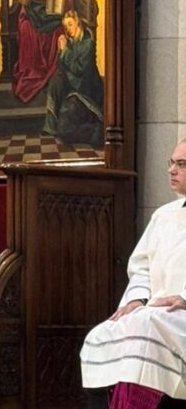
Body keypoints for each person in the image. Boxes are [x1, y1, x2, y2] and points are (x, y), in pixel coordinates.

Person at [80, 139, 186, 408]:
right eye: (171, 163)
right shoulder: (163, 216)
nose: (172, 170)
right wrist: (136, 299)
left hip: (179, 315)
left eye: (181, 164)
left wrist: (184, 297)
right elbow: (141, 268)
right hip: (155, 313)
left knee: (144, 327)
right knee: (99, 336)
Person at [42, 10, 104, 147]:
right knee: (55, 83)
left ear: (78, 24)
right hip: (73, 88)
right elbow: (62, 67)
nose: (68, 29)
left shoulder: (88, 44)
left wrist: (65, 51)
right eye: (66, 26)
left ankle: (96, 132)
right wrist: (61, 51)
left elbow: (79, 70)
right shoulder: (71, 43)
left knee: (65, 129)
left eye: (70, 24)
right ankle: (51, 128)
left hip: (85, 93)